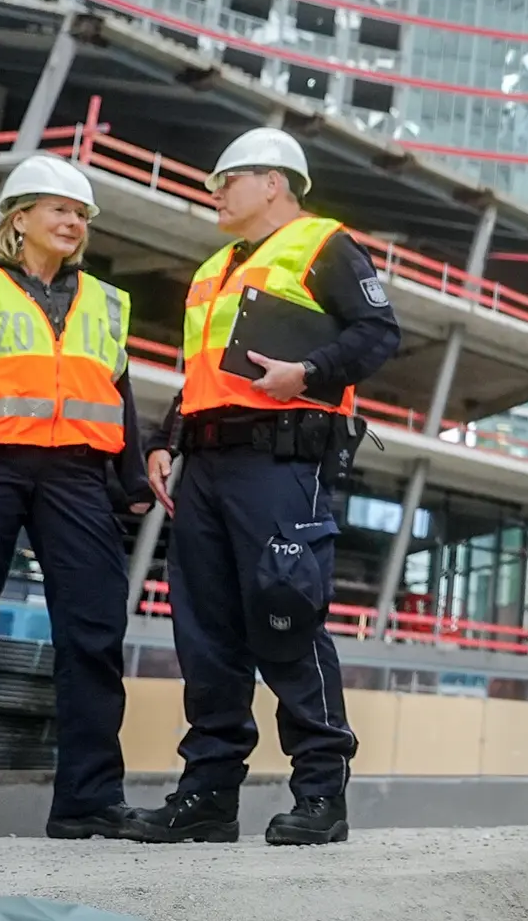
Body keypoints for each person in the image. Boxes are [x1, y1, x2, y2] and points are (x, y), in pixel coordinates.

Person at [123, 129, 399, 847]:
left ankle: (320, 793)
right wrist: (165, 440)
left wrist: (305, 377)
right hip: (207, 466)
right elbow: (203, 376)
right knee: (206, 634)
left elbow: (378, 333)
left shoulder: (325, 245)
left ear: (274, 183)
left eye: (227, 180)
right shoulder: (214, 268)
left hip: (282, 466)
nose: (215, 192)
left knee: (287, 614)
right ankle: (208, 797)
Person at [0, 154, 153, 845]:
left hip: (76, 475)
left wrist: (131, 483)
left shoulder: (107, 301)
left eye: (81, 215)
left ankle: (88, 801)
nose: (74, 223)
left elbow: (121, 393)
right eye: (60, 211)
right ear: (19, 220)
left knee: (95, 635)